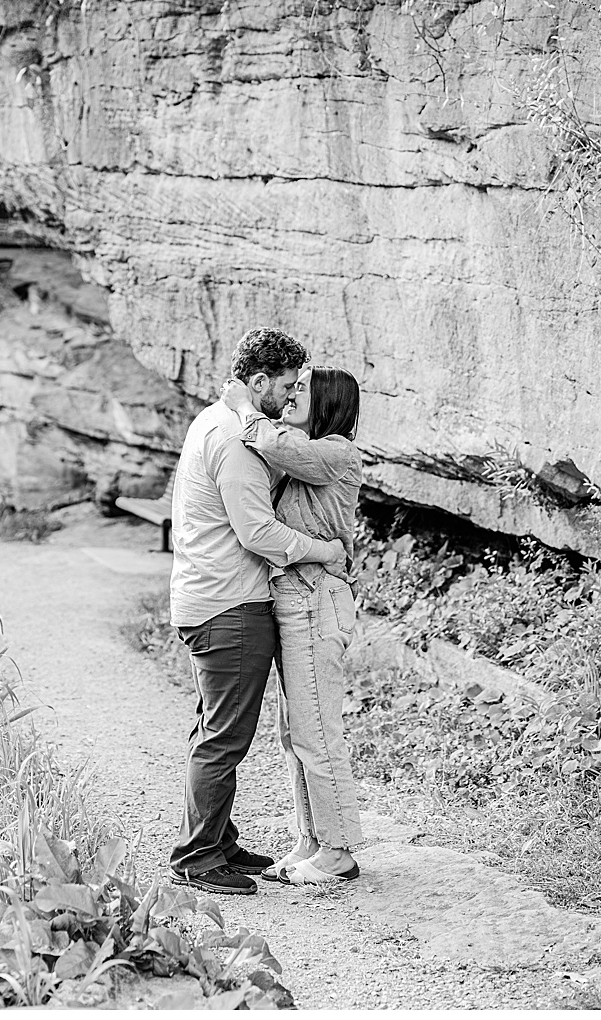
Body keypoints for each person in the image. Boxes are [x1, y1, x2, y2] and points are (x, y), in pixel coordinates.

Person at [167, 328, 349, 895]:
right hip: (230, 604)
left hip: (211, 596)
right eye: (288, 385)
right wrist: (325, 550)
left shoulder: (215, 420)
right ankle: (198, 856)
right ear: (259, 381)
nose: (292, 395)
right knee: (225, 737)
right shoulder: (235, 440)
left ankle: (219, 842)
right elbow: (258, 533)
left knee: (215, 727)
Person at [219, 366, 367, 885]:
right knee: (293, 733)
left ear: (327, 403)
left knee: (316, 732)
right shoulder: (305, 451)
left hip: (316, 599)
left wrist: (244, 405)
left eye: (302, 389)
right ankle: (312, 840)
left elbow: (271, 442)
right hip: (294, 597)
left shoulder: (337, 452)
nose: (291, 395)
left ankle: (338, 851)